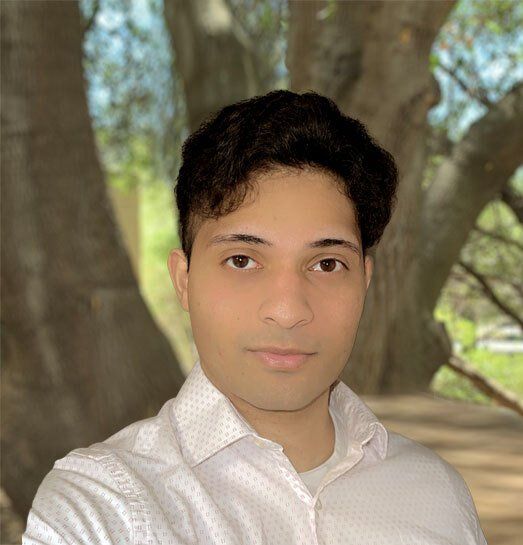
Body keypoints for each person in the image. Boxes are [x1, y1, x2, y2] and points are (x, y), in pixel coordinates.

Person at [23, 90, 488, 544]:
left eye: (326, 264)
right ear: (184, 280)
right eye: (242, 260)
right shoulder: (99, 510)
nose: (287, 311)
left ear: (364, 281)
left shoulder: (437, 495)